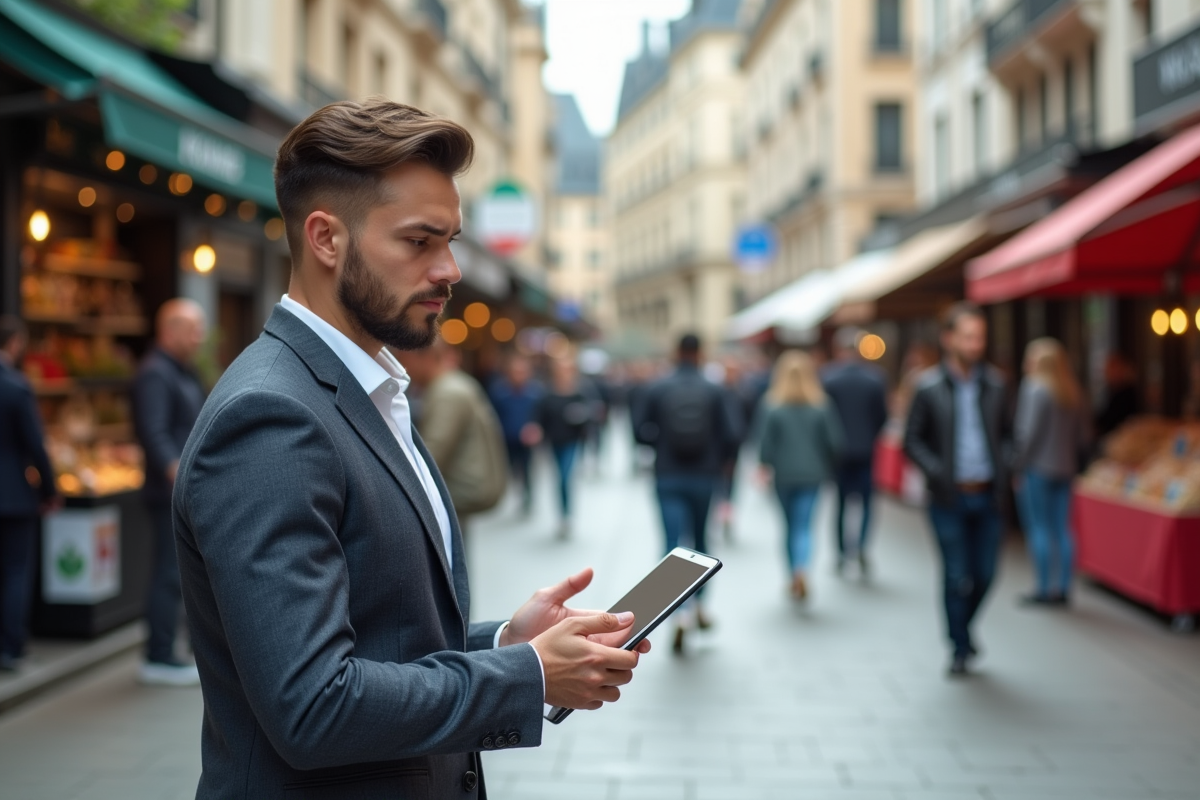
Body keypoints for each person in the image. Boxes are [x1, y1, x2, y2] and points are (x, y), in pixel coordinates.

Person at [172, 99, 648, 799]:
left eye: (450, 240)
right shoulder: (272, 416)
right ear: (327, 240)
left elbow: (381, 638)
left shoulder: (368, 390)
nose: (450, 269)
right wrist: (530, 676)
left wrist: (504, 643)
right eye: (419, 241)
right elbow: (313, 705)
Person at [903, 302, 1010, 677]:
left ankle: (963, 628)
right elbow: (912, 440)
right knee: (955, 572)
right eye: (968, 336)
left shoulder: (996, 385)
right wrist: (937, 473)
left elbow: (1009, 435)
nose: (975, 344)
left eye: (980, 337)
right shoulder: (928, 387)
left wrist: (1007, 465)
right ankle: (958, 645)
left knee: (985, 573)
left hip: (987, 493)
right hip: (948, 497)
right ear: (949, 339)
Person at [634, 333, 743, 653]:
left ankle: (677, 613)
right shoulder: (716, 388)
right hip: (704, 476)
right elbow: (734, 433)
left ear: (675, 351)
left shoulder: (658, 387)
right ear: (701, 353)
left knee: (671, 545)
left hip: (667, 474)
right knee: (701, 542)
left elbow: (640, 432)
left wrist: (661, 444)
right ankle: (699, 607)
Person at [131, 299, 207, 687]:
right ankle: (158, 654)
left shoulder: (181, 371)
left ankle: (171, 649)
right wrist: (174, 470)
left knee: (178, 573)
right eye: (193, 329)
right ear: (171, 330)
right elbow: (154, 430)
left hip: (183, 490)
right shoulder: (156, 374)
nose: (200, 337)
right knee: (167, 573)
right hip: (168, 493)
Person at [0, 317, 60, 672]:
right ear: (17, 344)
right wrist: (50, 490)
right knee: (14, 571)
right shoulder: (16, 386)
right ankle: (12, 647)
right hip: (13, 495)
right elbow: (36, 446)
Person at [759, 350, 844, 600]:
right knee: (804, 526)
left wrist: (765, 465)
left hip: (784, 475)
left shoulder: (773, 406)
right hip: (812, 475)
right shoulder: (821, 406)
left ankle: (792, 573)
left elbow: (765, 445)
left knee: (789, 527)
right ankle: (802, 569)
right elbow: (835, 442)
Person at [397, 337, 508, 527]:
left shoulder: (447, 392)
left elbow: (432, 453)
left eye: (404, 360)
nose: (403, 368)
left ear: (425, 358)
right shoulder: (453, 384)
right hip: (465, 486)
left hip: (461, 489)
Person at [1013, 338, 1086, 607]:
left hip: (1038, 468)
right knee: (1063, 530)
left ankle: (1044, 587)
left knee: (1040, 528)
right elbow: (1081, 437)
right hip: (1065, 467)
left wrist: (1018, 464)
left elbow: (1027, 434)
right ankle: (1064, 587)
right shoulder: (1071, 391)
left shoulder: (1034, 389)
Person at [822, 327, 888, 576]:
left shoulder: (829, 378)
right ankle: (860, 546)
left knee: (840, 504)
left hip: (838, 453)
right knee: (867, 503)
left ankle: (841, 551)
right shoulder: (875, 378)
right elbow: (882, 416)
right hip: (865, 450)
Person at [527, 357, 595, 539]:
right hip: (553, 441)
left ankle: (566, 516)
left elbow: (590, 415)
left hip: (572, 441)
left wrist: (582, 417)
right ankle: (562, 514)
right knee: (558, 478)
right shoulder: (547, 393)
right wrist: (536, 429)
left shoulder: (580, 392)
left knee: (565, 477)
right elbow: (539, 416)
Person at [489, 354, 543, 514]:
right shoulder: (499, 392)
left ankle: (527, 496)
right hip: (506, 438)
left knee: (526, 469)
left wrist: (536, 428)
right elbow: (492, 416)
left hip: (526, 440)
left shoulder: (535, 392)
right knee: (510, 469)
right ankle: (513, 494)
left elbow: (541, 415)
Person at [1094, 353, 1139, 440]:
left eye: (1112, 368)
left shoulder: (1126, 394)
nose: (1107, 373)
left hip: (1122, 440)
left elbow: (1110, 420)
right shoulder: (1111, 391)